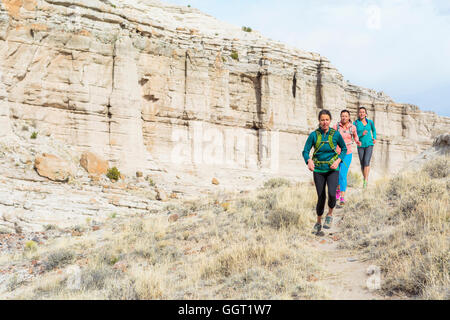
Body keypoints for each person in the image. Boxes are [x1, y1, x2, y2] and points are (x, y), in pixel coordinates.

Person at [302, 110, 347, 234]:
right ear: (319, 121)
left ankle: (330, 214)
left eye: (327, 120)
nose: (325, 122)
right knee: (321, 197)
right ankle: (318, 222)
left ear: (330, 120)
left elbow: (344, 149)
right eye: (322, 120)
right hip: (318, 170)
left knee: (332, 194)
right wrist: (308, 161)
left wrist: (338, 161)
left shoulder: (336, 134)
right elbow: (305, 151)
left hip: (333, 169)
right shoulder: (314, 135)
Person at [333, 110, 361, 206]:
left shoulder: (352, 127)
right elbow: (331, 136)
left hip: (347, 154)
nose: (344, 118)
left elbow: (355, 137)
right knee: (336, 174)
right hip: (336, 154)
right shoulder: (336, 127)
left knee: (342, 174)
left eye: (346, 116)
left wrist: (357, 141)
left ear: (349, 117)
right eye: (342, 116)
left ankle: (342, 197)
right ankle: (337, 190)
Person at [354, 106, 377, 188]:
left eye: (363, 112)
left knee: (367, 161)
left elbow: (374, 130)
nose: (361, 113)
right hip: (360, 145)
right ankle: (364, 178)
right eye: (360, 112)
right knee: (362, 163)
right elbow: (354, 134)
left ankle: (365, 181)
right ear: (358, 114)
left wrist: (374, 137)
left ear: (366, 114)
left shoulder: (370, 122)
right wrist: (361, 134)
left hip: (369, 144)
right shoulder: (355, 123)